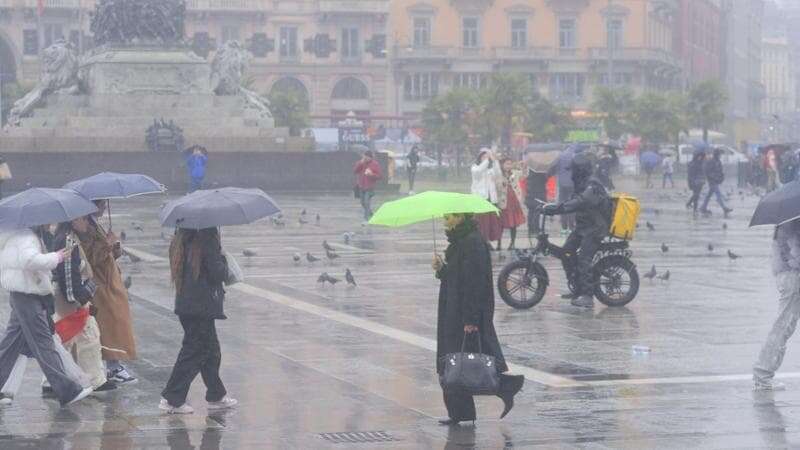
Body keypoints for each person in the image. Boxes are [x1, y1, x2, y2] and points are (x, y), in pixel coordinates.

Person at [432, 213, 524, 425]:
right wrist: (442, 269)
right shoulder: (459, 241)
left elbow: (475, 284)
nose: (446, 221)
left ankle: (503, 388)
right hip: (454, 308)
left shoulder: (472, 243)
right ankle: (463, 412)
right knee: (457, 360)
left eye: (449, 217)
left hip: (464, 312)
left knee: (459, 361)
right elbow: (456, 277)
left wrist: (470, 318)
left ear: (461, 218)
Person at [0, 226, 93, 406]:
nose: (50, 224)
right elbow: (29, 260)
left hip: (22, 292)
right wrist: (56, 257)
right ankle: (68, 391)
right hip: (27, 293)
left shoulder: (21, 234)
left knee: (10, 344)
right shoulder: (26, 236)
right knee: (43, 343)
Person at [161, 228, 237, 414]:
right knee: (193, 352)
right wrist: (222, 257)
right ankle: (172, 398)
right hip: (201, 305)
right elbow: (217, 272)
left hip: (188, 303)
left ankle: (216, 395)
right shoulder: (207, 235)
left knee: (210, 350)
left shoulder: (181, 236)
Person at [52, 218, 116, 393]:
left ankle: (51, 382)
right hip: (70, 296)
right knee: (84, 336)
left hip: (69, 294)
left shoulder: (69, 237)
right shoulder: (68, 240)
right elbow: (67, 273)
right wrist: (77, 299)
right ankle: (94, 380)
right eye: (84, 219)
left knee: (66, 338)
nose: (87, 223)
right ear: (73, 221)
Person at [78, 202, 137, 385]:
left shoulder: (94, 224)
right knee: (110, 324)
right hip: (101, 285)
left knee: (114, 323)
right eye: (100, 203)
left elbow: (106, 255)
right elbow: (89, 257)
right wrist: (107, 245)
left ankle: (112, 365)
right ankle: (113, 366)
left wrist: (114, 248)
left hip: (110, 281)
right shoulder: (84, 227)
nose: (104, 207)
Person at [542, 153, 611, 308]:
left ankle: (587, 296)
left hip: (594, 228)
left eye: (573, 170)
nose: (571, 173)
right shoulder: (582, 183)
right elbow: (572, 201)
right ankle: (577, 288)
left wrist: (556, 209)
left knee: (583, 260)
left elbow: (580, 201)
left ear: (580, 170)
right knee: (566, 252)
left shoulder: (592, 185)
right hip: (583, 227)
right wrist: (553, 206)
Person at [753, 219, 800, 391]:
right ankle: (762, 374)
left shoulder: (788, 216)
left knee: (784, 326)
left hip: (787, 273)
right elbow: (794, 250)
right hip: (794, 275)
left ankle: (762, 374)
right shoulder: (796, 218)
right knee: (783, 325)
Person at [471, 149, 502, 247]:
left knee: (490, 223)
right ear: (479, 158)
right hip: (480, 200)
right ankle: (481, 241)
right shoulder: (474, 168)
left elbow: (498, 173)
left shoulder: (490, 171)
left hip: (491, 199)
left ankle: (487, 241)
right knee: (481, 223)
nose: (486, 159)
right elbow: (479, 171)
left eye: (486, 157)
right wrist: (487, 159)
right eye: (483, 157)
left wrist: (495, 160)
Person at [496, 157, 526, 250]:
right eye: (506, 164)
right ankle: (499, 244)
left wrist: (524, 167)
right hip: (503, 201)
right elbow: (497, 186)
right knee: (500, 223)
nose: (508, 166)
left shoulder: (515, 173)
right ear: (502, 165)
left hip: (514, 200)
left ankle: (512, 243)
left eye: (510, 164)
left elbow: (524, 175)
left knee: (514, 223)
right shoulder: (498, 174)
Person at [556, 145, 584, 235]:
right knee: (572, 205)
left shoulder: (560, 156)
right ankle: (571, 228)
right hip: (572, 185)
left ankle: (564, 228)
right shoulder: (575, 156)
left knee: (562, 204)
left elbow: (554, 167)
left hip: (562, 185)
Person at [700, 148, 733, 217]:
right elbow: (707, 171)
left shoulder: (718, 161)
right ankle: (724, 208)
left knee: (709, 195)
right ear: (717, 154)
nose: (720, 156)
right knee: (718, 194)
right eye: (719, 154)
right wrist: (713, 177)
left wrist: (721, 177)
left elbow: (720, 171)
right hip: (712, 181)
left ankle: (703, 207)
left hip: (716, 180)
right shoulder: (711, 161)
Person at [353, 150, 383, 223]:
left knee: (366, 202)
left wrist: (372, 175)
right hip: (361, 186)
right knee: (362, 202)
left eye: (367, 157)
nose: (365, 158)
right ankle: (371, 214)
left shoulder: (375, 164)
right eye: (364, 156)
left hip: (369, 187)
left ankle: (366, 219)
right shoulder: (361, 163)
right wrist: (360, 163)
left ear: (370, 157)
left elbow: (380, 176)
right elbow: (355, 171)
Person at [686, 148, 706, 213]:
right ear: (697, 156)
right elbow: (690, 175)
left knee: (696, 194)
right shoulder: (693, 164)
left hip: (700, 182)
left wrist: (703, 179)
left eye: (701, 156)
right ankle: (695, 208)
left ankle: (689, 203)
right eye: (699, 156)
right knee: (696, 195)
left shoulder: (701, 163)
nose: (700, 158)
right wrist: (692, 182)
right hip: (695, 182)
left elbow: (702, 172)